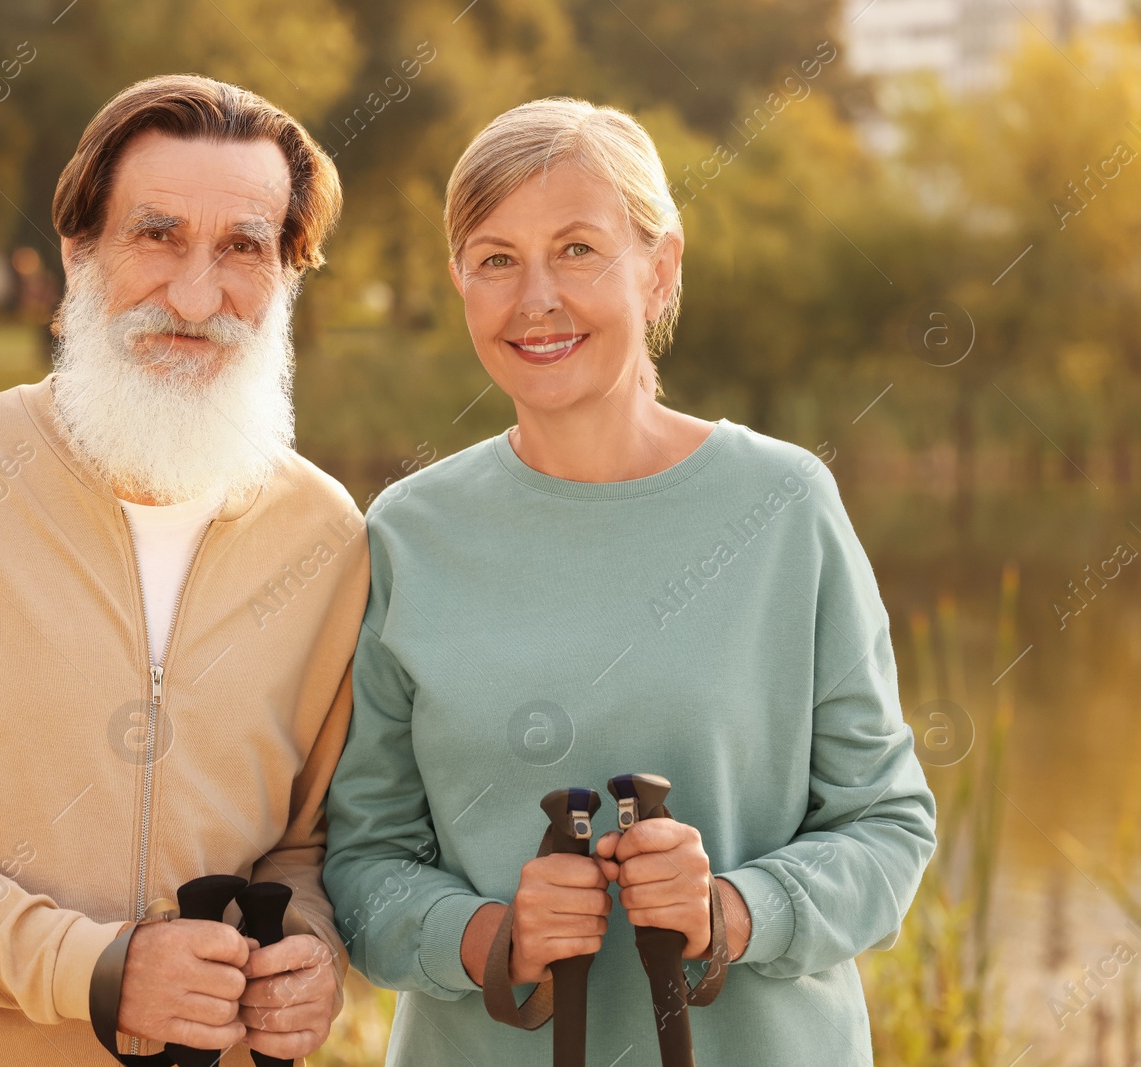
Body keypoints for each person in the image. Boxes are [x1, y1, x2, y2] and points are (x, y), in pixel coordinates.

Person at [321, 97, 938, 1066]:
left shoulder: (783, 505)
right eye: (495, 258)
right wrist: (491, 936)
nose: (536, 298)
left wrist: (733, 909)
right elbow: (359, 863)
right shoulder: (406, 532)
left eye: (577, 248)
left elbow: (886, 822)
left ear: (659, 268)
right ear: (460, 283)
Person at [0, 74, 368, 1066]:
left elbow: (310, 845)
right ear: (78, 250)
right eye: (158, 235)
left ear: (285, 276)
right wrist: (89, 966)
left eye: (241, 249)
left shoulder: (326, 537)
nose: (194, 295)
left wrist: (311, 949)